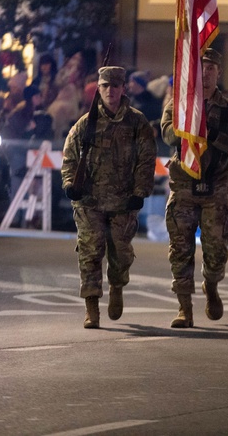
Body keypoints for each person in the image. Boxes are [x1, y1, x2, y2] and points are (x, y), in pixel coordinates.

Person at [61, 66, 156, 329]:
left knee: (121, 253)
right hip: (89, 201)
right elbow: (69, 158)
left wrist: (140, 192)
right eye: (105, 86)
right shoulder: (85, 123)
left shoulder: (137, 122)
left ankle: (117, 285)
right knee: (90, 252)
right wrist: (70, 184)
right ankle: (91, 307)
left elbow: (146, 161)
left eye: (115, 86)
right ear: (98, 89)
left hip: (123, 201)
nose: (110, 91)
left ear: (123, 88)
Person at [160, 49, 228, 328]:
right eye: (201, 69)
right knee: (180, 248)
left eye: (211, 68)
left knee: (216, 247)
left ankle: (211, 283)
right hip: (184, 184)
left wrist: (213, 134)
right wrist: (188, 125)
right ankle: (184, 307)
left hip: (215, 186)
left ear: (219, 73)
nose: (206, 74)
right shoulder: (178, 105)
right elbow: (167, 134)